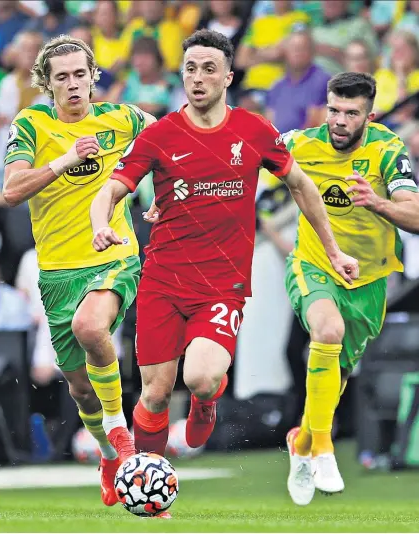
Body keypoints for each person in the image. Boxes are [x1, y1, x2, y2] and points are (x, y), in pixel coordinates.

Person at [90, 28, 357, 483]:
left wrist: (332, 249)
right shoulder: (160, 135)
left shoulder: (254, 131)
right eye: (190, 68)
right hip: (163, 280)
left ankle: (207, 401)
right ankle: (152, 488)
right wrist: (100, 224)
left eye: (209, 69)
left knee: (200, 377)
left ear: (228, 77)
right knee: (154, 394)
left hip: (222, 284)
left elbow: (301, 186)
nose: (198, 78)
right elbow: (111, 189)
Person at [2, 34, 155, 507]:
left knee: (92, 327)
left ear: (94, 77)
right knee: (80, 389)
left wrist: (164, 202)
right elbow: (11, 189)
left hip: (114, 254)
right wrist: (66, 160)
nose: (72, 84)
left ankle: (122, 437)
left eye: (79, 74)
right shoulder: (32, 123)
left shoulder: (124, 118)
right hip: (57, 272)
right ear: (47, 84)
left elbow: (173, 146)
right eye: (61, 77)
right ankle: (109, 455)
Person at [283, 72, 419, 506]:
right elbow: (237, 157)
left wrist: (377, 202)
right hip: (314, 263)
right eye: (334, 110)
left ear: (369, 115)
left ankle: (302, 441)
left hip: (369, 280)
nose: (339, 121)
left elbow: (415, 215)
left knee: (338, 374)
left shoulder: (388, 150)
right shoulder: (300, 144)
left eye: (351, 113)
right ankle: (323, 449)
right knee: (327, 331)